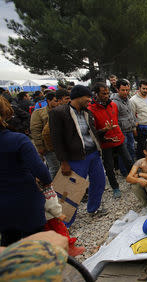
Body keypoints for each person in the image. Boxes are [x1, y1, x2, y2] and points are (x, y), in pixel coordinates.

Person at [49, 85, 108, 226]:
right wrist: (63, 162)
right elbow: (56, 140)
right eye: (87, 97)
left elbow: (89, 134)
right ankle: (66, 223)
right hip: (75, 158)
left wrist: (104, 132)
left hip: (93, 154)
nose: (90, 100)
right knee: (70, 190)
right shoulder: (59, 113)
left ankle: (93, 208)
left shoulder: (87, 112)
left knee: (99, 182)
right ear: (78, 97)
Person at [0, 97, 53, 246]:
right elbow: (42, 172)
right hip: (25, 203)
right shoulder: (18, 140)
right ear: (5, 113)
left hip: (3, 212)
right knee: (36, 247)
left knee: (8, 245)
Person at [89, 82, 133, 198]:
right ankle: (115, 187)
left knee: (128, 160)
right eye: (103, 93)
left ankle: (134, 180)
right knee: (109, 166)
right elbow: (92, 131)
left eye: (108, 93)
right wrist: (104, 130)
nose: (106, 96)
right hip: (105, 141)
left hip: (118, 137)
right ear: (96, 94)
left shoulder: (113, 105)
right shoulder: (91, 109)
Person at [30, 91, 63, 179]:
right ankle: (50, 188)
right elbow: (35, 130)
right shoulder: (39, 113)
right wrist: (40, 146)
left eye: (59, 101)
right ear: (48, 101)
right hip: (48, 146)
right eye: (56, 101)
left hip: (60, 145)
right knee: (55, 168)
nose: (58, 103)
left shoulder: (61, 111)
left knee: (60, 167)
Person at [111, 79, 137, 175]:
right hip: (121, 131)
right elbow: (114, 119)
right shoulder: (115, 103)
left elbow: (131, 114)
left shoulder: (128, 100)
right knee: (123, 152)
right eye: (123, 90)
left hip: (129, 129)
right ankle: (125, 171)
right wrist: (118, 133)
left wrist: (134, 126)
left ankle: (132, 169)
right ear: (117, 89)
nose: (125, 92)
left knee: (131, 149)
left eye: (127, 90)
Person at [126, 140, 147, 208]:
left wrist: (140, 175)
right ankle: (146, 205)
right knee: (135, 184)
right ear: (145, 152)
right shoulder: (140, 162)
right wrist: (139, 180)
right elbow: (128, 178)